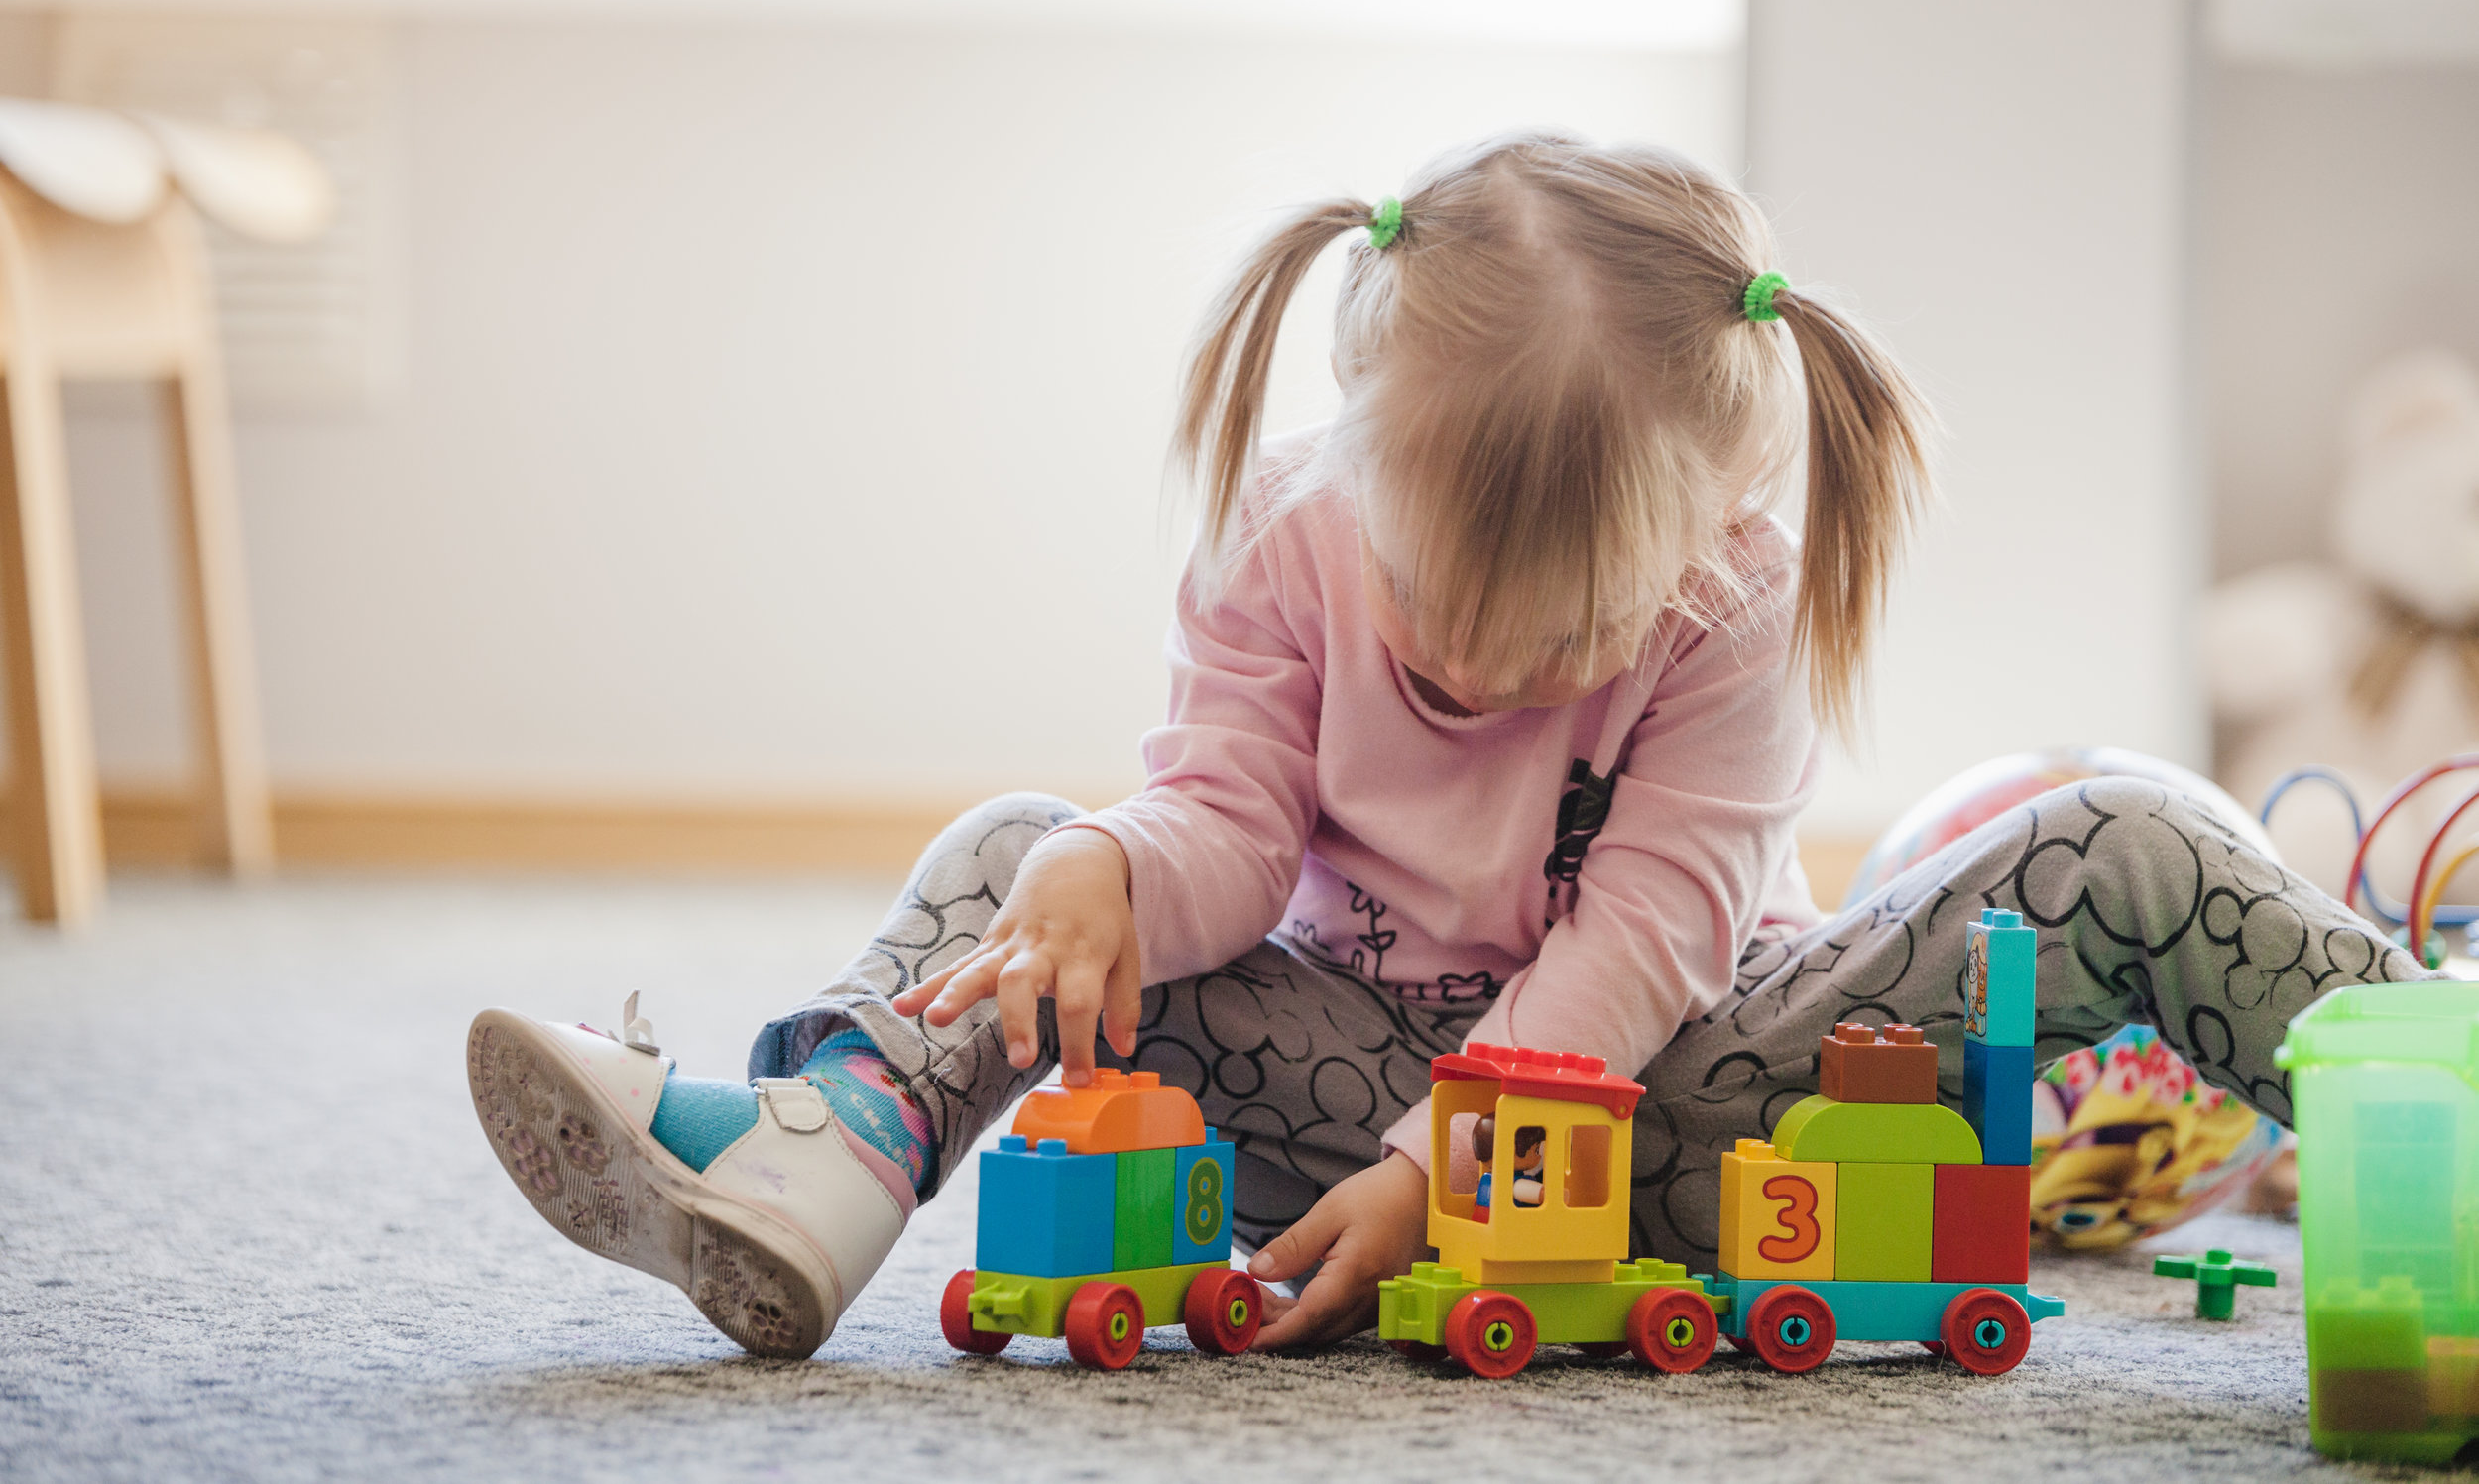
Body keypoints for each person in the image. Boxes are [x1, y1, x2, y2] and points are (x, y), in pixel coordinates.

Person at [467, 130, 2419, 1361]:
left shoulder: (1735, 594)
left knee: (2132, 830)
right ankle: (820, 1164)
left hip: (1703, 1086)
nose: (1483, 672)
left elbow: (1647, 934)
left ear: (1698, 544)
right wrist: (1115, 875)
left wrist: (1453, 1171)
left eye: (1558, 638)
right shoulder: (1284, 527)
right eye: (1436, 611)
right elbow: (1224, 827)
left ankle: (2428, 1106)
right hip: (1332, 1090)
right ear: (1354, 467)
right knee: (1019, 846)